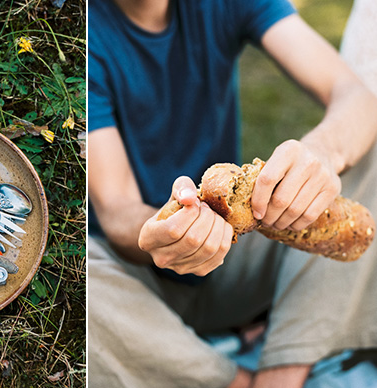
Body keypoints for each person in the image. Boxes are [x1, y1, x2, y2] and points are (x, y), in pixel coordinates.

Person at [87, 0, 377, 387]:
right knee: (82, 275)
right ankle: (233, 379)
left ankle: (284, 369)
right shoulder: (85, 36)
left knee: (362, 143)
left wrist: (324, 153)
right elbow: (117, 209)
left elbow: (355, 97)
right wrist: (168, 230)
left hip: (237, 261)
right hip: (139, 288)